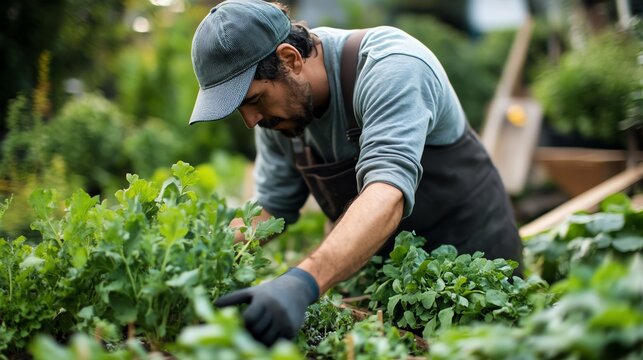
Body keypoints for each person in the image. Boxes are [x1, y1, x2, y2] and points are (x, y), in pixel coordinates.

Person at [188, 0, 523, 347]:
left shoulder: (391, 67)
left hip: (476, 280)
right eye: (240, 108)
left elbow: (386, 193)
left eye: (254, 99)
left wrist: (303, 281)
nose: (251, 121)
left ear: (290, 59)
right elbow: (270, 209)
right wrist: (202, 259)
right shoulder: (279, 118)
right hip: (396, 288)